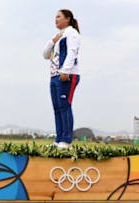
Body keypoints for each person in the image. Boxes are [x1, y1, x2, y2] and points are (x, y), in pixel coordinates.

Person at [43, 9, 81, 148]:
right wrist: (52, 41)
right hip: (54, 76)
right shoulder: (58, 35)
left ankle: (66, 140)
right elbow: (45, 54)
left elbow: (72, 52)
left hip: (67, 75)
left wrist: (65, 70)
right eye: (55, 17)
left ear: (68, 19)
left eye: (58, 16)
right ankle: (58, 139)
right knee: (57, 108)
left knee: (65, 106)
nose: (56, 19)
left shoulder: (72, 33)